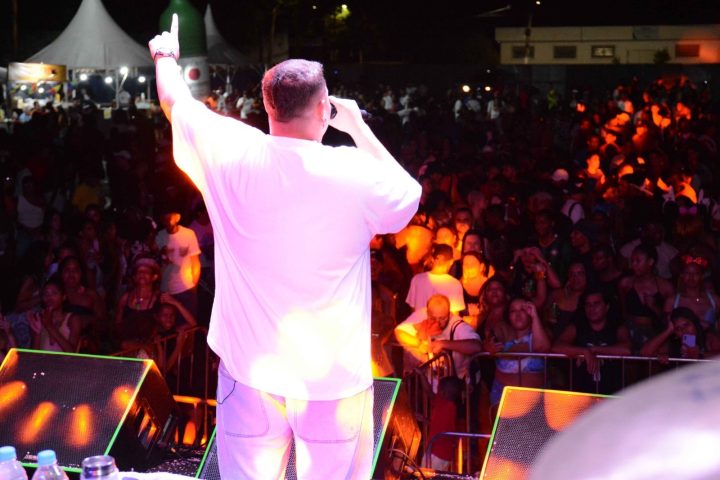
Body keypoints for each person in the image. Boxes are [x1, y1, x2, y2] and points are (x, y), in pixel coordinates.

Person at [150, 16, 421, 479]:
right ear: (323, 108)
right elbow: (408, 195)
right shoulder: (352, 170)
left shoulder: (232, 150)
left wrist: (164, 56)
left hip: (249, 376)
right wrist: (358, 128)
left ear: (266, 105)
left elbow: (175, 100)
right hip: (331, 386)